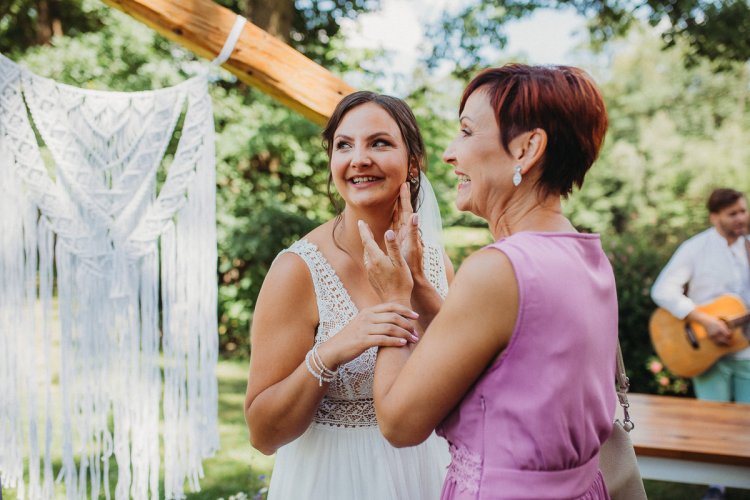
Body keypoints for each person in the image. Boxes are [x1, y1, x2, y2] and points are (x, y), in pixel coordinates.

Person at [358, 64, 617, 499]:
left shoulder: (498, 268)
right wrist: (420, 283)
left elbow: (399, 423)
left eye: (466, 132)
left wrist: (394, 299)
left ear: (527, 149)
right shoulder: (584, 253)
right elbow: (499, 358)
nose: (448, 154)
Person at [243, 91, 452, 500]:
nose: (359, 158)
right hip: (335, 480)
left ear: (413, 164)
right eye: (344, 145)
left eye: (379, 142)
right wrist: (331, 352)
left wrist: (422, 294)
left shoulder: (435, 262)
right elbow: (262, 434)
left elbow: (464, 381)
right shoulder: (298, 270)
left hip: (429, 473)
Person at [651, 188, 749, 500]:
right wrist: (705, 321)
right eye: (733, 213)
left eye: (743, 211)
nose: (741, 218)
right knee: (712, 425)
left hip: (745, 348)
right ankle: (716, 486)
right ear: (714, 216)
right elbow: (662, 290)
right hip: (704, 350)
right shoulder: (695, 249)